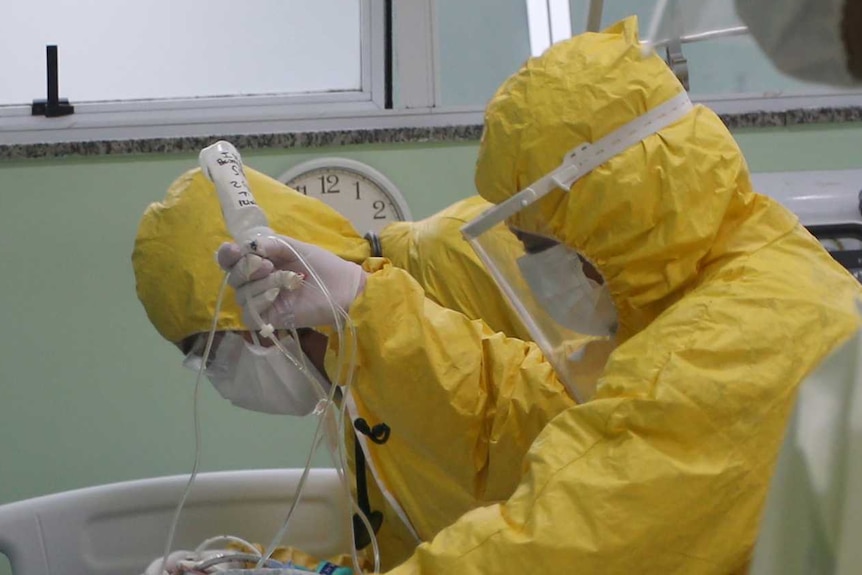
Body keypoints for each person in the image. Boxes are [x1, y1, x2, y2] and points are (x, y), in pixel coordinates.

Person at [215, 17, 862, 574]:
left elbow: (553, 546)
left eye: (536, 241)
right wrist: (362, 302)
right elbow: (526, 417)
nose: (532, 264)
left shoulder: (727, 347)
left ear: (611, 208)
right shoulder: (737, 275)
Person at [133, 166, 587, 568]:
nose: (220, 379)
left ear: (254, 306)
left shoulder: (463, 252)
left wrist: (379, 314)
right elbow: (410, 545)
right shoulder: (349, 376)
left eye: (210, 355)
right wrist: (271, 568)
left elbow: (584, 433)